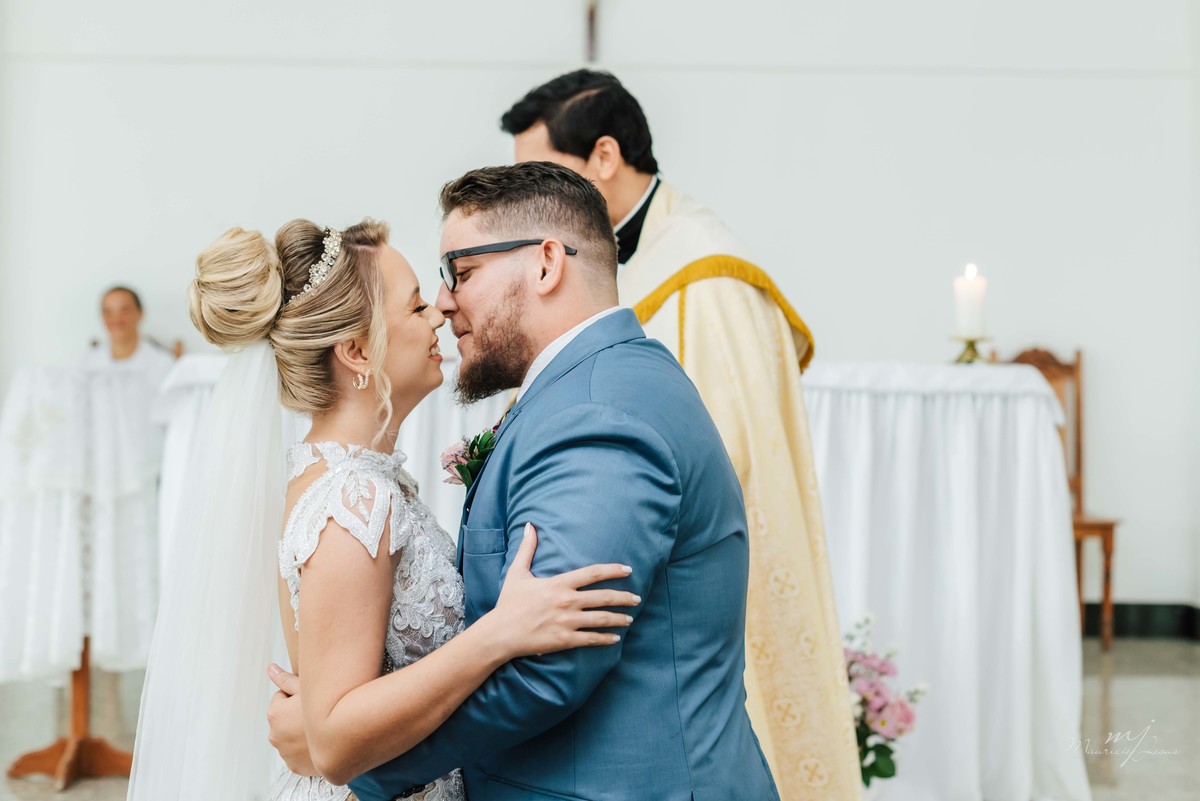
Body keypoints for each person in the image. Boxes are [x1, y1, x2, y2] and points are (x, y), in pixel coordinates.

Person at [270, 162, 780, 801]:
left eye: (461, 272)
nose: (444, 303)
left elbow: (548, 671)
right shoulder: (590, 391)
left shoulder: (596, 415)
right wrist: (336, 731)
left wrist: (345, 757)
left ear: (545, 264)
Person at [127, 218, 638, 801]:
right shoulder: (352, 500)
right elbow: (337, 737)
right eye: (416, 306)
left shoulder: (355, 477)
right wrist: (499, 634)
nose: (438, 315)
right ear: (357, 351)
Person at [502, 70, 861, 800]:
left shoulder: (708, 275)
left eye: (541, 174)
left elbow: (723, 453)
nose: (522, 204)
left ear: (605, 156)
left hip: (687, 576)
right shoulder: (584, 261)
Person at [82, 285, 174, 390]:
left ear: (140, 313)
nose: (117, 319)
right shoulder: (88, 361)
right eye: (108, 312)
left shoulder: (162, 363)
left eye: (124, 311)